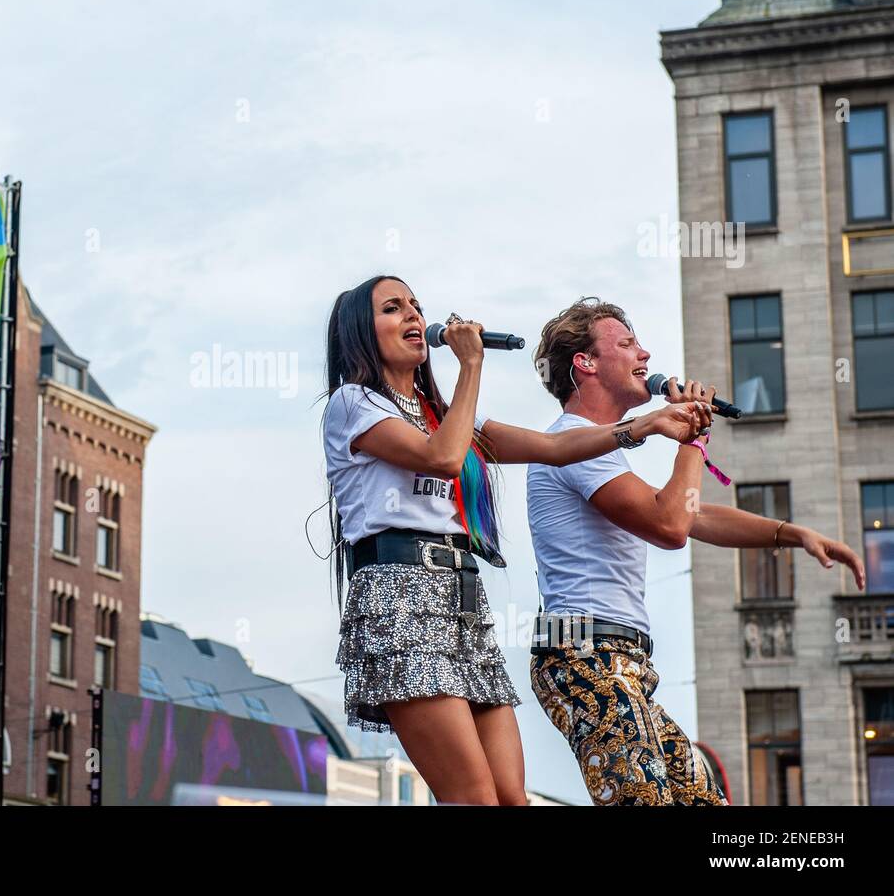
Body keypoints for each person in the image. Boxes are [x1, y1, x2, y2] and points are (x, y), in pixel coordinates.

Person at [320, 276, 707, 806]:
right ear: (362, 332)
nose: (414, 315)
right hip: (400, 594)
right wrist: (472, 365)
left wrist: (645, 426)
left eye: (416, 304)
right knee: (474, 797)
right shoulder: (353, 403)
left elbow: (552, 448)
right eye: (393, 308)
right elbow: (443, 458)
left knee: (510, 797)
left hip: (461, 598)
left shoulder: (444, 416)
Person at [525, 297, 866, 806]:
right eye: (627, 343)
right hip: (584, 652)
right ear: (585, 363)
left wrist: (792, 534)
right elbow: (671, 525)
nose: (645, 353)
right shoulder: (574, 441)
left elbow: (689, 512)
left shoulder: (600, 448)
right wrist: (693, 438)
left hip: (620, 658)